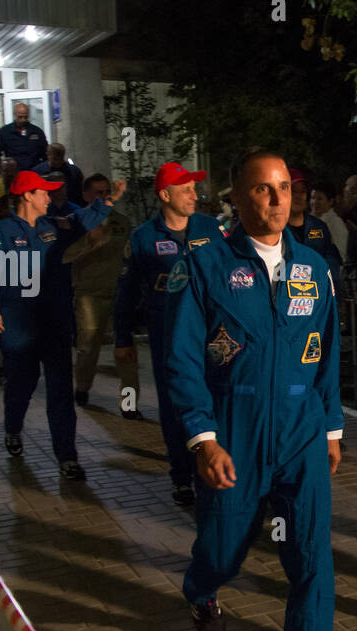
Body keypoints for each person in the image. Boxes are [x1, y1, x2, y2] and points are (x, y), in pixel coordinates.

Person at [165, 147, 343, 631]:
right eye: (262, 190)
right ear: (236, 198)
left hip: (301, 437)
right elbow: (183, 359)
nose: (275, 200)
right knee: (222, 549)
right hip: (233, 439)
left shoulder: (314, 268)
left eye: (284, 189)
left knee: (313, 564)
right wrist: (203, 439)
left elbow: (329, 349)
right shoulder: (206, 265)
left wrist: (333, 426)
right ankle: (202, 589)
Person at [0, 170, 125, 479]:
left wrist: (109, 201)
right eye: (44, 192)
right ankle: (13, 428)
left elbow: (84, 219)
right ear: (27, 196)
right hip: (17, 323)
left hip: (54, 321)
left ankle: (67, 456)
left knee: (60, 389)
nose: (50, 196)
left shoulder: (55, 227)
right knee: (21, 384)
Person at [114, 162, 227, 503]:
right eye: (186, 190)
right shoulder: (143, 238)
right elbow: (126, 293)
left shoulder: (212, 228)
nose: (195, 195)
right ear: (165, 195)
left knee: (216, 401)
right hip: (168, 338)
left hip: (214, 336)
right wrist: (122, 339)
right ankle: (182, 476)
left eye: (195, 188)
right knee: (175, 406)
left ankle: (215, 467)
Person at [63, 173, 137, 420]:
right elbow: (65, 256)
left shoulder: (121, 222)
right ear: (86, 196)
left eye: (108, 192)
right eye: (99, 193)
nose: (105, 197)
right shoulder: (77, 222)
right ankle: (82, 388)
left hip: (118, 292)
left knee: (125, 350)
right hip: (89, 293)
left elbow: (130, 253)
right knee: (88, 347)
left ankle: (130, 403)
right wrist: (90, 241)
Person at [287, 169, 343, 274]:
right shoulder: (274, 229)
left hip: (315, 288)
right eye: (293, 191)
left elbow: (332, 261)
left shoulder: (319, 226)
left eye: (302, 191)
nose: (298, 196)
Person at [0, 103, 48, 173]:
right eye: (20, 117)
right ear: (15, 115)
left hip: (34, 172)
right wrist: (0, 170)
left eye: (26, 117)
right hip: (13, 173)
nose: (23, 120)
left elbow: (45, 153)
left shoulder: (37, 132)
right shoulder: (5, 132)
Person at [309, 181, 348, 262]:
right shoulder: (308, 220)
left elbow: (340, 255)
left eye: (319, 199)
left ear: (330, 201)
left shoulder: (336, 223)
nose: (315, 202)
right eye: (313, 198)